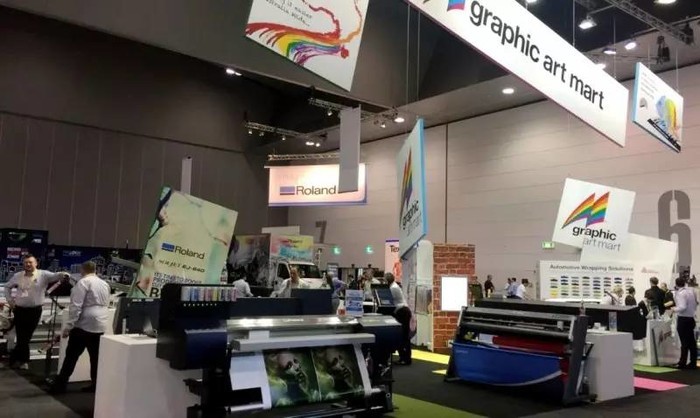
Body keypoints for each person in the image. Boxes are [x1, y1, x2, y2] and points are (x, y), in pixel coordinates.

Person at [49, 261, 111, 392]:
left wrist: (68, 327)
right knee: (96, 358)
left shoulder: (83, 283)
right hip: (100, 323)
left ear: (82, 270)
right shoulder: (104, 284)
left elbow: (76, 306)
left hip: (84, 324)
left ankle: (60, 386)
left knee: (71, 356)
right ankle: (96, 385)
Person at [2, 255, 69, 370]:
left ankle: (15, 359)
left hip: (34, 311)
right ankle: (22, 361)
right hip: (19, 310)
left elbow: (56, 275)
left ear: (36, 263)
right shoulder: (18, 276)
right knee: (22, 336)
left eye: (30, 262)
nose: (28, 264)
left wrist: (64, 274)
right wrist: (10, 301)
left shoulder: (43, 275)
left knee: (26, 337)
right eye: (26, 262)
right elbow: (7, 287)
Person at [672, 277, 698, 370]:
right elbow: (695, 304)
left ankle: (682, 363)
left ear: (676, 284)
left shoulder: (681, 293)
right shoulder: (691, 292)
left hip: (683, 319)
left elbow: (682, 307)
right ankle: (693, 362)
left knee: (684, 342)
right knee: (692, 342)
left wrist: (674, 309)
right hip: (691, 319)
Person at [386, 273, 411, 365]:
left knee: (403, 336)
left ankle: (406, 359)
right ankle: (403, 358)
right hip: (403, 311)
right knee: (402, 336)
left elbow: (389, 301)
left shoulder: (393, 288)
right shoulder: (394, 286)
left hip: (402, 312)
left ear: (387, 280)